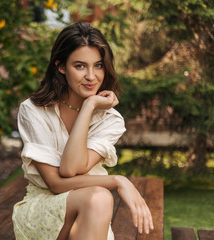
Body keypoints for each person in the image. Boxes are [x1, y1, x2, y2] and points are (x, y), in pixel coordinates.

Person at [12, 22, 153, 240]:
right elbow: (57, 183)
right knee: (101, 197)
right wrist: (118, 180)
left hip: (92, 211)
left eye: (98, 65)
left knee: (98, 199)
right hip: (44, 211)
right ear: (60, 67)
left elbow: (70, 168)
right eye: (80, 66)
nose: (91, 76)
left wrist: (89, 108)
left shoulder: (111, 120)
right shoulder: (33, 111)